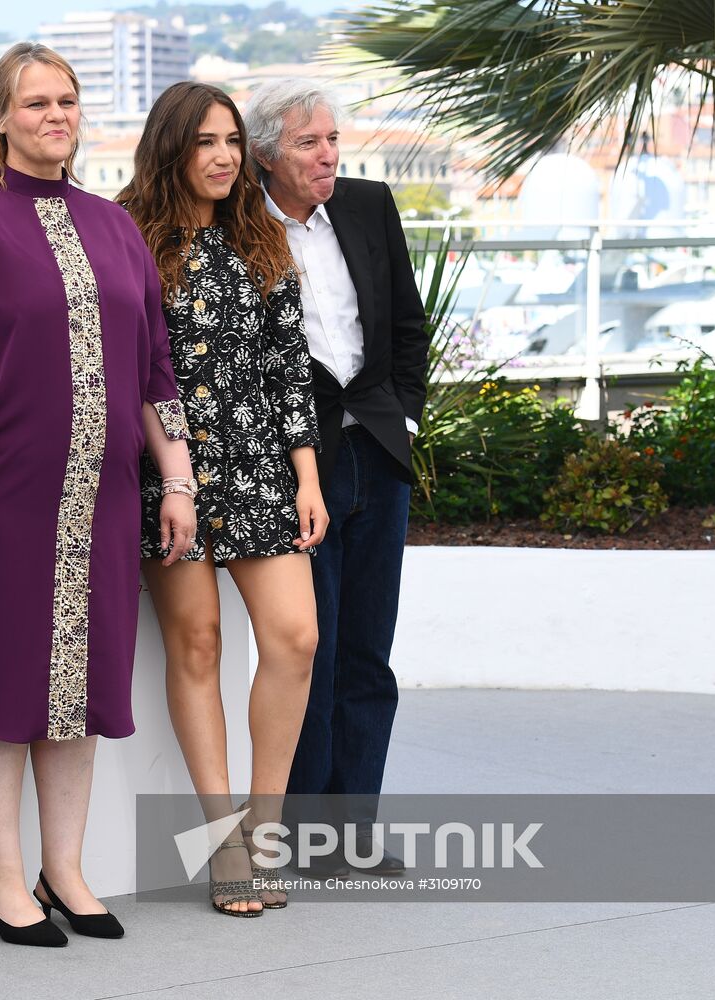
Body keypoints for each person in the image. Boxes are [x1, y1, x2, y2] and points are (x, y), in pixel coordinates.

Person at [0, 42, 195, 947]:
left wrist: (177, 479)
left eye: (66, 101)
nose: (54, 116)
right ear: (0, 117)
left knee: (80, 689)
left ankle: (63, 869)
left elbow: (154, 371)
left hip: (99, 506)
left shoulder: (115, 228)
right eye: (34, 103)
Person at [117, 81, 325, 916]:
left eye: (233, 141)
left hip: (262, 468)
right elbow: (126, 365)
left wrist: (306, 476)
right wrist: (172, 476)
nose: (224, 156)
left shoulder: (260, 237)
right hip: (167, 471)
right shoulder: (129, 238)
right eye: (205, 141)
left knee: (296, 639)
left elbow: (288, 368)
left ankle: (264, 831)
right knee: (196, 645)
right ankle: (225, 844)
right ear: (172, 147)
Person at [243, 79, 429, 875]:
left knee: (366, 651)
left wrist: (406, 418)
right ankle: (297, 830)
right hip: (295, 465)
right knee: (303, 652)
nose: (328, 155)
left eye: (331, 139)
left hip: (376, 454)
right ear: (266, 156)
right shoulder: (236, 223)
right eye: (308, 143)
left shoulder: (366, 203)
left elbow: (407, 325)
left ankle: (354, 829)